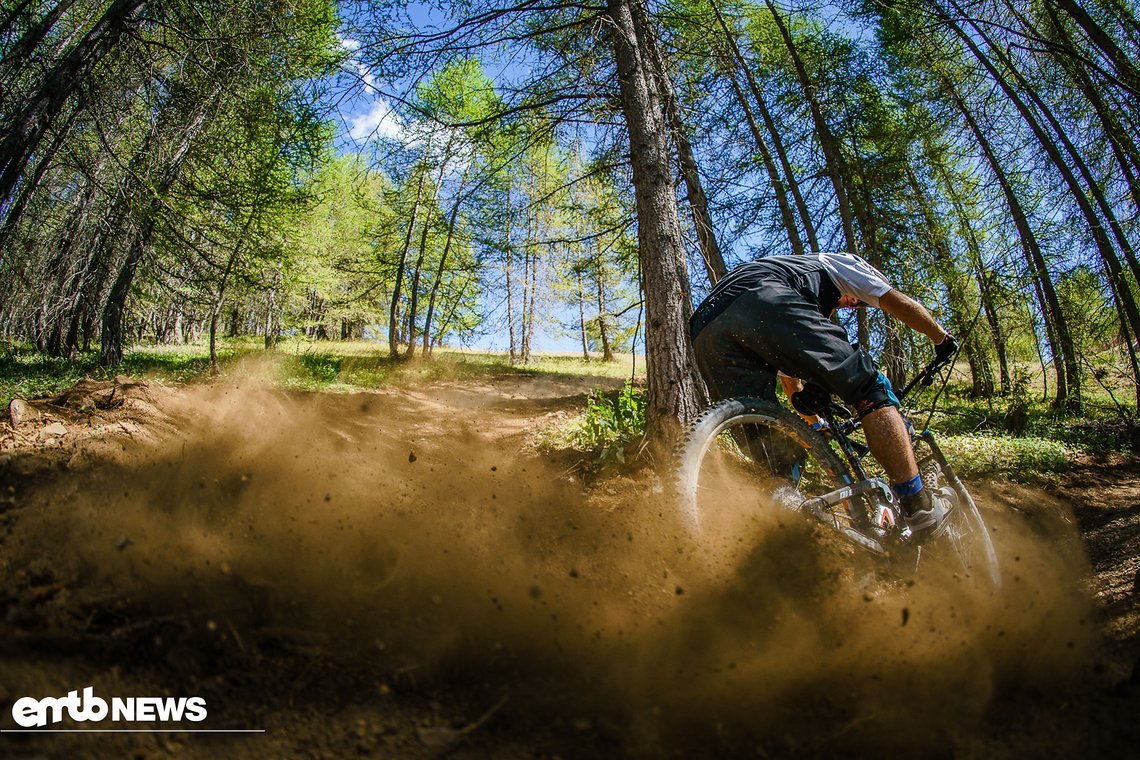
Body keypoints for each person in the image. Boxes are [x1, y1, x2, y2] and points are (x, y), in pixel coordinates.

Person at [689, 252, 959, 540]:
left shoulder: (790, 283)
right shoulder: (840, 264)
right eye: (857, 301)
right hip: (762, 294)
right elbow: (897, 302)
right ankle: (918, 506)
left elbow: (791, 384)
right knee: (868, 387)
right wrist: (940, 338)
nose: (853, 305)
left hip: (705, 326)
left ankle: (777, 525)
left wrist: (817, 426)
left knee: (772, 448)